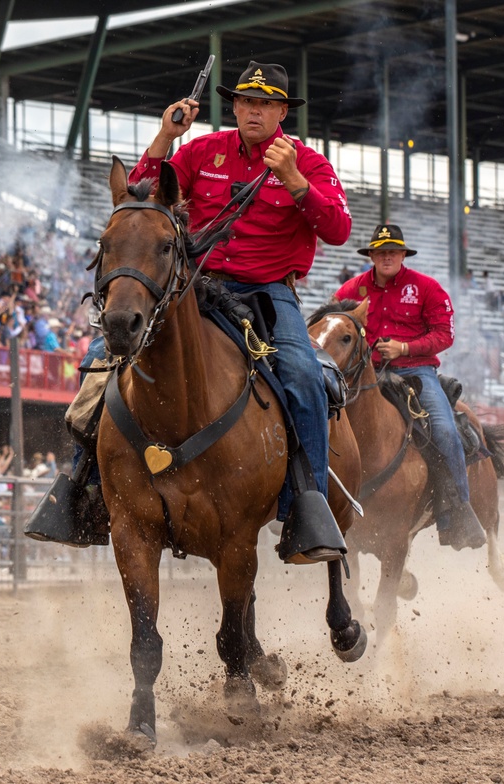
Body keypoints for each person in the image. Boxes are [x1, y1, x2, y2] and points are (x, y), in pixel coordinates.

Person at [125, 60, 353, 563]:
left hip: (269, 292)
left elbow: (338, 228)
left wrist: (293, 180)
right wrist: (165, 137)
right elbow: (137, 195)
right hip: (194, 285)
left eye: (267, 103)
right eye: (247, 101)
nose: (254, 110)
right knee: (106, 356)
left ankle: (305, 512)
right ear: (234, 105)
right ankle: (84, 486)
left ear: (281, 112)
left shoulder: (308, 163)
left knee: (302, 375)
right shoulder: (201, 150)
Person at [334, 224, 486, 550]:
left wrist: (404, 348)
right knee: (317, 418)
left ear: (403, 255)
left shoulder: (427, 288)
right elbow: (331, 323)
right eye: (381, 251)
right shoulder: (351, 290)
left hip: (416, 371)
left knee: (445, 430)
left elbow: (445, 334)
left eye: (393, 251)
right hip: (364, 373)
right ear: (372, 255)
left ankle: (458, 511)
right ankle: (305, 504)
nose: (387, 256)